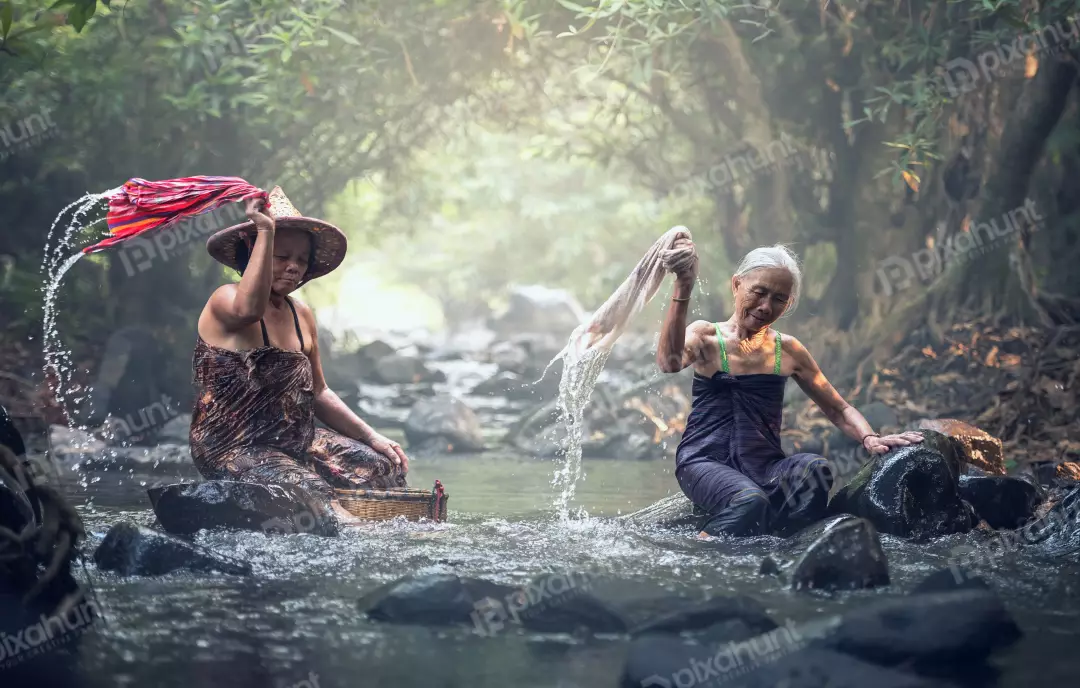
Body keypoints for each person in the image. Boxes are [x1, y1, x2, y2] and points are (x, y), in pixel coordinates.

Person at [656, 241, 923, 537]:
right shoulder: (706, 336)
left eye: (779, 299)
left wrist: (870, 439)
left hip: (765, 466)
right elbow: (669, 362)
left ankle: (792, 544)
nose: (765, 306)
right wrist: (683, 287)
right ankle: (701, 547)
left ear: (789, 303)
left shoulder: (788, 350)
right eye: (759, 292)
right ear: (736, 285)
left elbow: (838, 408)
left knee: (816, 470)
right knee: (749, 502)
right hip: (704, 461)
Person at [189, 187, 410, 524]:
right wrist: (265, 229)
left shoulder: (301, 314)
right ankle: (354, 531)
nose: (293, 267)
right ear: (254, 252)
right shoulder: (226, 299)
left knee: (381, 467)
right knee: (312, 491)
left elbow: (319, 391)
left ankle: (371, 521)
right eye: (281, 256)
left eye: (301, 260)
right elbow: (249, 310)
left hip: (295, 441)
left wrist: (372, 436)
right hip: (233, 446)